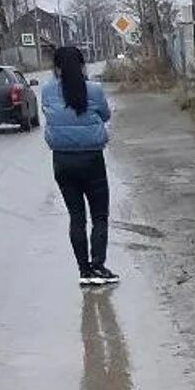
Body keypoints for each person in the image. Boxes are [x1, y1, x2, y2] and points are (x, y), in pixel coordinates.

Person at [42, 46, 119, 286]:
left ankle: (83, 271)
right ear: (83, 66)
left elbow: (49, 114)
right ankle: (98, 266)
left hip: (62, 160)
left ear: (56, 68)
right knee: (99, 215)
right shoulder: (94, 90)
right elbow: (105, 115)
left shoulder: (46, 91)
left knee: (76, 217)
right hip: (91, 159)